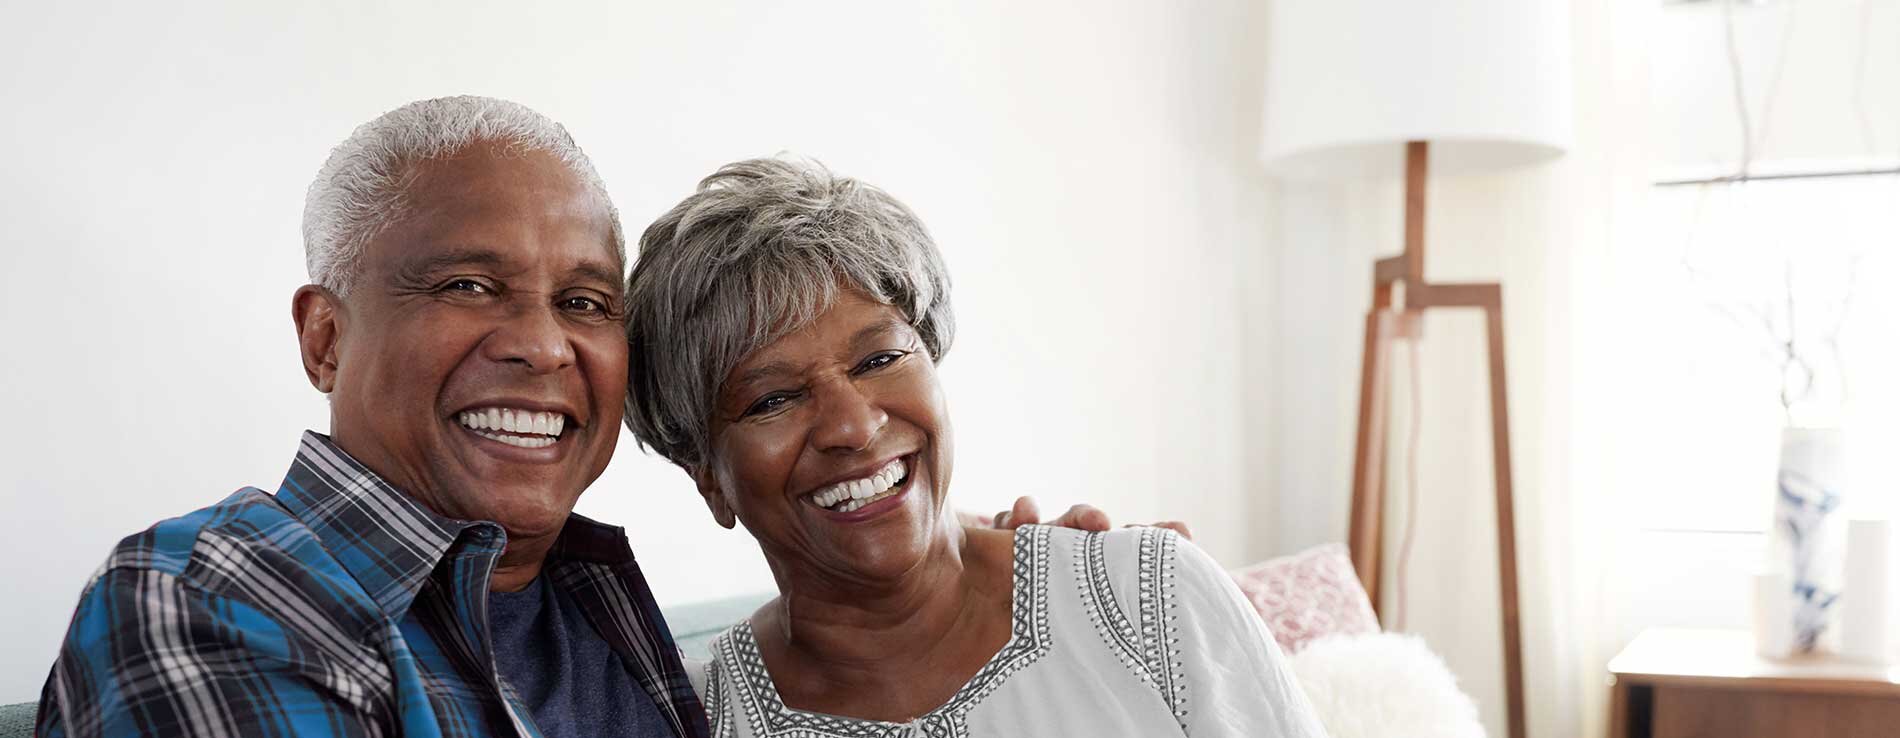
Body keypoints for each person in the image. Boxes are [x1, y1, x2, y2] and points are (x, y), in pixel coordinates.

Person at [35, 97, 1119, 738]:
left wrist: (985, 588)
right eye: (466, 284)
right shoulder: (210, 602)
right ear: (325, 337)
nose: (543, 345)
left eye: (587, 303)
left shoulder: (618, 622)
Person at [623, 157, 1327, 737]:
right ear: (707, 477)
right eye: (773, 399)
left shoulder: (1147, 596)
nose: (853, 426)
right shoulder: (701, 722)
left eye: (877, 360)